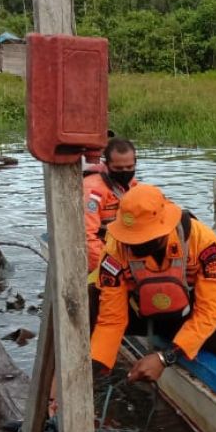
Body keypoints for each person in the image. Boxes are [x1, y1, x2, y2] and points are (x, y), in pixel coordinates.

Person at [90, 183, 216, 382]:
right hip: (139, 315)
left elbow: (208, 310)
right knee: (88, 301)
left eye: (142, 239)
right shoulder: (114, 249)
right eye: (130, 239)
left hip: (186, 315)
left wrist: (165, 357)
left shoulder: (203, 242)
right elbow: (112, 317)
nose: (134, 245)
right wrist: (96, 364)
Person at [84, 137, 137, 330]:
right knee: (95, 293)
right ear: (107, 165)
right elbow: (87, 238)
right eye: (119, 169)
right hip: (101, 255)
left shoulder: (133, 187)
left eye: (129, 167)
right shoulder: (93, 192)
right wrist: (112, 268)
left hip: (126, 253)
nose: (125, 173)